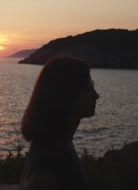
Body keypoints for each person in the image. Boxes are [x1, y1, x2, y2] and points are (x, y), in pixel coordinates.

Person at [20, 56, 99, 190]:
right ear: (66, 93)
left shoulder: (58, 143)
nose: (96, 95)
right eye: (89, 87)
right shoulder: (50, 164)